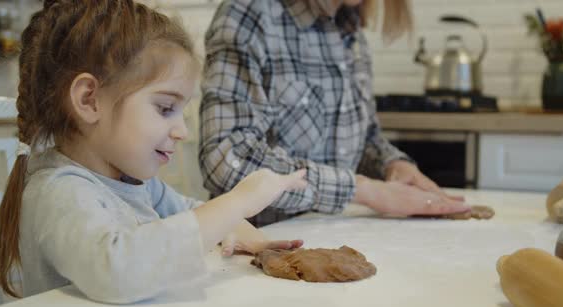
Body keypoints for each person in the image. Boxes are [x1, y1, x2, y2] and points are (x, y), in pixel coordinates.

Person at [0, 0, 307, 304]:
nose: (182, 130)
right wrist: (237, 202)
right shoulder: (58, 192)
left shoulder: (130, 181)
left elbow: (187, 210)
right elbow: (119, 269)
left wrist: (244, 232)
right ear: (89, 100)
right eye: (166, 107)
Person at [199, 0, 470, 227]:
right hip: (254, 249)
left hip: (334, 235)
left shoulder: (351, 30)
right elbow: (224, 158)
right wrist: (363, 190)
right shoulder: (250, 15)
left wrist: (392, 164)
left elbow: (363, 139)